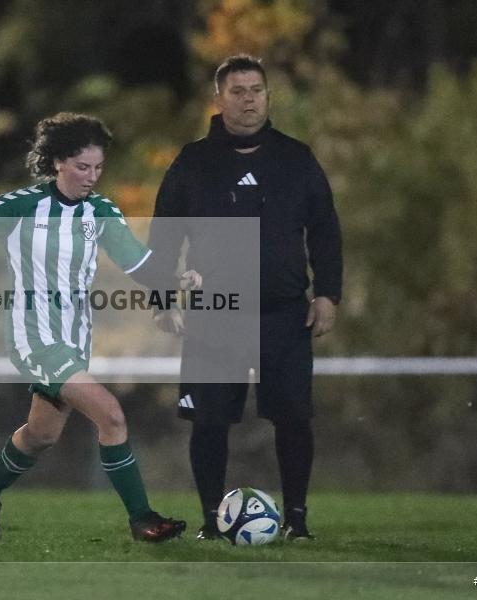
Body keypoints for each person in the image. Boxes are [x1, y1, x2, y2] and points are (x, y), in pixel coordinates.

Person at [0, 112, 198, 542]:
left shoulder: (101, 211)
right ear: (57, 162)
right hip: (34, 334)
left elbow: (142, 266)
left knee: (41, 434)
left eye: (98, 167)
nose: (91, 176)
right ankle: (142, 519)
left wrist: (177, 278)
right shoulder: (22, 206)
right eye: (81, 166)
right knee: (111, 415)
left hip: (76, 338)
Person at [148, 55, 343, 541]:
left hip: (284, 315)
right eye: (237, 90)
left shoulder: (296, 159)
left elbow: (325, 232)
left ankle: (297, 521)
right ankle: (213, 522)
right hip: (215, 315)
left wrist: (329, 293)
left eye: (256, 89)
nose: (249, 98)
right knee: (209, 422)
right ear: (218, 99)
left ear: (267, 96)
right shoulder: (193, 162)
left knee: (294, 419)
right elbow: (163, 238)